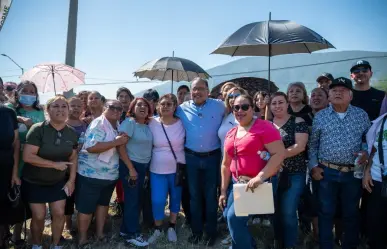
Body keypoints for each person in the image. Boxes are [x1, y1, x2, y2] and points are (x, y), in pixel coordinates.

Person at [309, 77, 371, 249]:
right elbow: (313, 145)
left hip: (353, 173)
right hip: (326, 172)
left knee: (351, 213)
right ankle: (326, 246)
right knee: (326, 212)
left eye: (343, 90)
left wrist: (366, 151)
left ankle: (349, 245)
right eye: (334, 90)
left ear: (351, 95)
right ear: (328, 95)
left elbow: (368, 139)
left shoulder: (361, 115)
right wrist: (314, 166)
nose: (338, 92)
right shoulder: (321, 116)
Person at [219, 94, 285, 249]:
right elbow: (225, 164)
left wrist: (260, 177)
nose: (240, 110)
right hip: (237, 183)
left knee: (234, 219)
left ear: (252, 108)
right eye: (236, 107)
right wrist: (223, 191)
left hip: (256, 184)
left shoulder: (265, 127)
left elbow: (279, 154)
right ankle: (247, 244)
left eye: (244, 107)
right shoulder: (231, 132)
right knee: (227, 215)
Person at [22, 96, 78, 249]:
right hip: (34, 181)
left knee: (59, 213)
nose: (60, 109)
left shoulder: (71, 133)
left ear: (68, 110)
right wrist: (54, 164)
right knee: (39, 216)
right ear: (47, 110)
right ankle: (37, 244)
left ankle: (56, 244)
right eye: (55, 106)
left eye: (63, 106)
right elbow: (27, 156)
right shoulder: (38, 129)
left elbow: (73, 157)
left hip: (57, 181)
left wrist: (71, 180)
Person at [176, 77, 225, 245]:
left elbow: (236, 115)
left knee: (211, 195)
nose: (197, 92)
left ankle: (211, 232)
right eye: (194, 89)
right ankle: (197, 231)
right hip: (191, 158)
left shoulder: (219, 106)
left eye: (201, 88)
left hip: (213, 157)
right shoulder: (181, 109)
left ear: (208, 91)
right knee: (194, 196)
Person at [76, 100, 128, 247]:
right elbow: (92, 147)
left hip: (109, 175)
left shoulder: (117, 125)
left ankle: (99, 234)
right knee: (86, 208)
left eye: (120, 108)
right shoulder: (99, 123)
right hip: (91, 174)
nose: (117, 110)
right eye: (112, 107)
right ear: (104, 108)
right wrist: (115, 142)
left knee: (103, 205)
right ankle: (82, 238)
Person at [270, 92, 309, 248]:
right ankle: (278, 241)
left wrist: (278, 156)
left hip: (294, 173)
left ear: (287, 104)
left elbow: (300, 146)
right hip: (271, 175)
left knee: (288, 212)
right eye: (274, 103)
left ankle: (290, 244)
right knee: (274, 212)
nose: (277, 106)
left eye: (281, 102)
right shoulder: (265, 124)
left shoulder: (297, 121)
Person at [147, 94, 185, 243]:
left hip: (177, 168)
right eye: (162, 104)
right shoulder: (151, 123)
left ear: (175, 107)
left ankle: (172, 226)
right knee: (157, 200)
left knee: (175, 198)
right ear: (157, 106)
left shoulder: (182, 123)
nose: (165, 106)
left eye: (169, 104)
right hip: (157, 169)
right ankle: (157, 228)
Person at [117, 98, 153, 247]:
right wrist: (131, 168)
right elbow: (120, 147)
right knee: (132, 200)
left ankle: (126, 230)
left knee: (136, 199)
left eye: (145, 105)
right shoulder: (129, 123)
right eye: (139, 105)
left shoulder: (147, 124)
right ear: (132, 108)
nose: (142, 107)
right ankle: (133, 234)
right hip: (131, 166)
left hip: (143, 166)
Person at [363, 112, 387, 249]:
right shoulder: (380, 122)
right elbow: (373, 149)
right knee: (376, 227)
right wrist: (367, 171)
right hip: (378, 181)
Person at [65, 97, 87, 234]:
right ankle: (68, 224)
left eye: (79, 106)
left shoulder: (85, 124)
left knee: (81, 196)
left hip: (84, 168)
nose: (76, 108)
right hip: (66, 168)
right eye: (72, 105)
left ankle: (83, 223)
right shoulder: (63, 124)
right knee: (68, 197)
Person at [0, 102, 21, 249]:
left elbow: (16, 143)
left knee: (3, 207)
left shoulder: (8, 112)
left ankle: (3, 241)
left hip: (5, 168)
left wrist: (14, 172)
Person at [114, 87, 134, 217]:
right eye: (121, 96)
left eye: (126, 96)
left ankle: (131, 206)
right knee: (119, 181)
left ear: (131, 98)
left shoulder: (134, 114)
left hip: (132, 152)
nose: (124, 99)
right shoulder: (114, 114)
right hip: (116, 152)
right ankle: (120, 204)